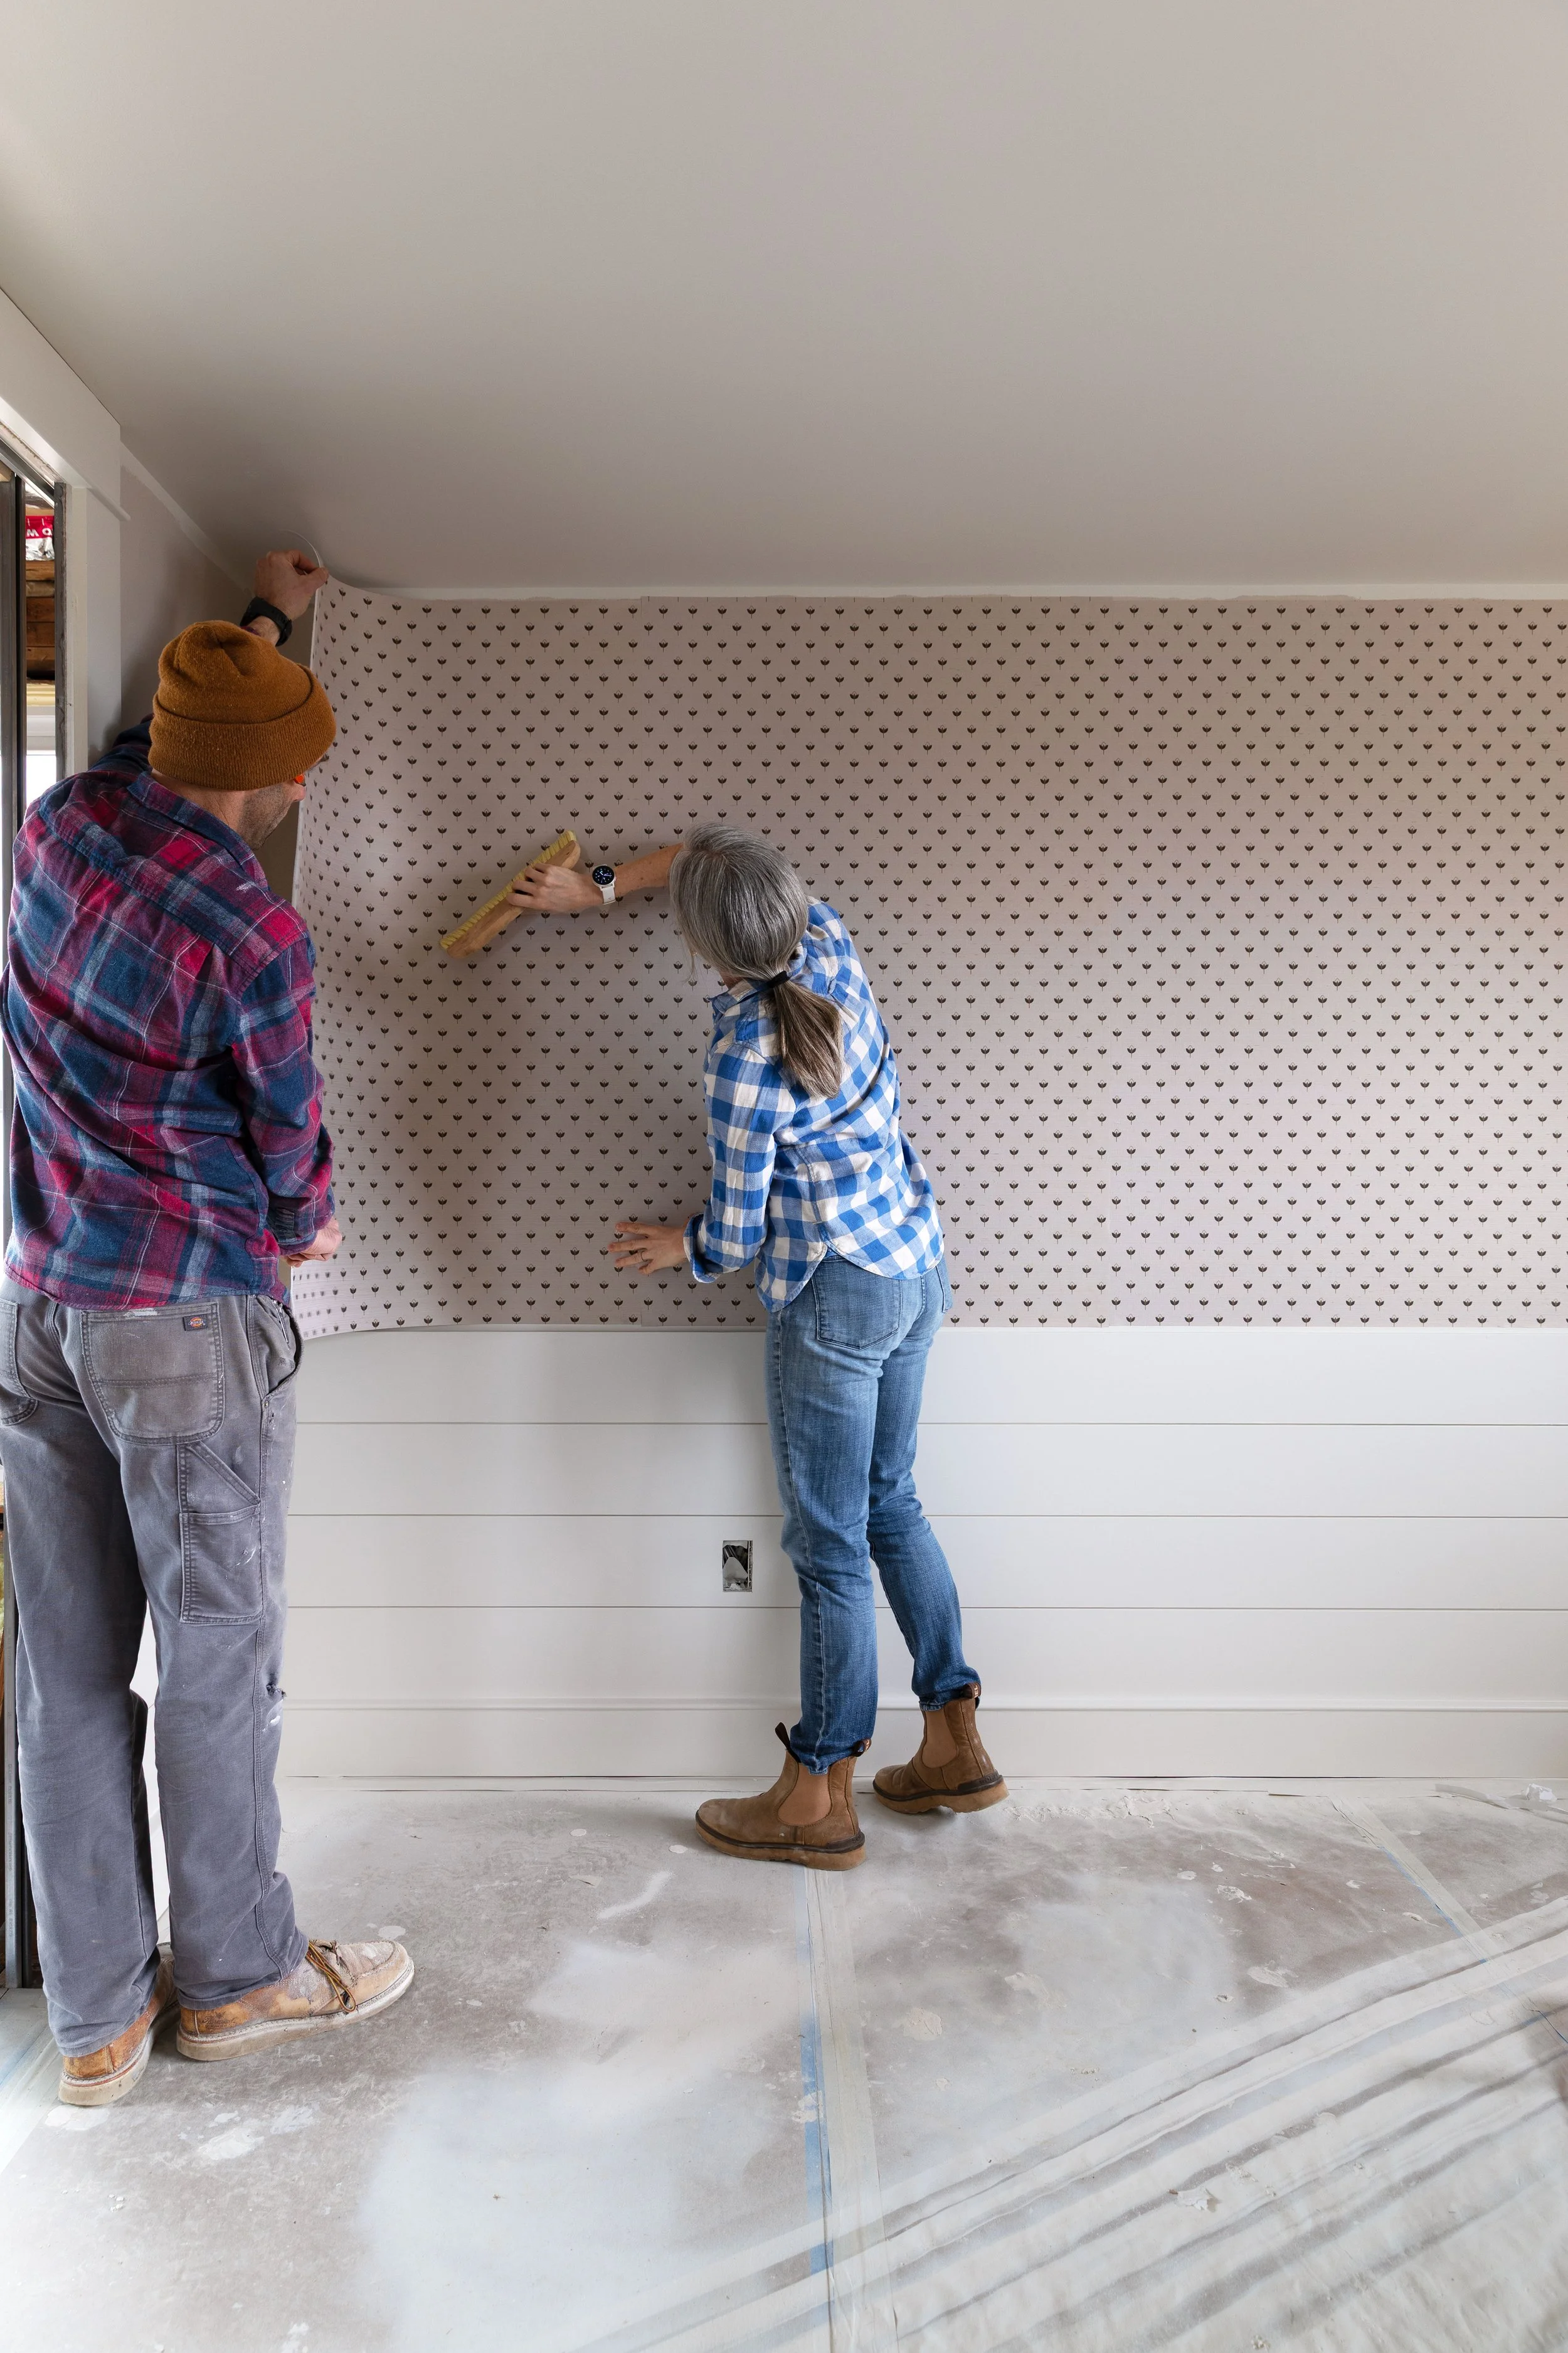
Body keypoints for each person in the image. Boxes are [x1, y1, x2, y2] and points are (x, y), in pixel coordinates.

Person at [0, 553, 413, 2107]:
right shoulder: (249, 932)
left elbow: (161, 752)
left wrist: (257, 624)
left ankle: (98, 2018)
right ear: (271, 778)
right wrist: (303, 1219)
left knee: (67, 1665)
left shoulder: (59, 830)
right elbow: (294, 1154)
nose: (311, 769)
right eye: (300, 750)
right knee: (220, 1661)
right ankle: (234, 1978)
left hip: (41, 1307)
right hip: (182, 1321)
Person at [512, 822, 1006, 1867]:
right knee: (892, 1505)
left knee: (828, 1545)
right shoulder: (827, 942)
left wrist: (676, 1247)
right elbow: (705, 846)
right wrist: (598, 887)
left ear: (702, 950)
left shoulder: (743, 1057)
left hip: (834, 1295)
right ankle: (955, 1741)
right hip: (916, 1268)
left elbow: (736, 1236)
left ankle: (816, 1794)